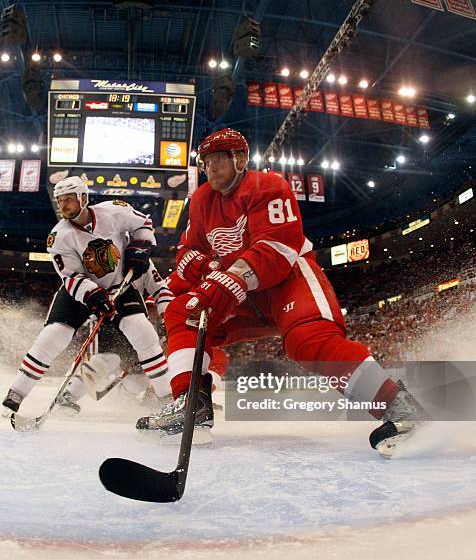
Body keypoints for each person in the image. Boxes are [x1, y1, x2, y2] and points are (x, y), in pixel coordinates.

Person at [137, 128, 427, 455]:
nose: (211, 167)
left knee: (308, 342)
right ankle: (191, 406)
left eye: (218, 159)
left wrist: (228, 275)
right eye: (205, 162)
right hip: (242, 292)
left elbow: (276, 247)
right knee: (183, 312)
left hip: (287, 279)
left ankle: (399, 408)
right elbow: (187, 252)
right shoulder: (202, 200)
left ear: (241, 159)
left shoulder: (268, 185)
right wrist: (203, 272)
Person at [2, 176, 169, 414]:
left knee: (143, 332)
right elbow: (70, 276)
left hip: (119, 287)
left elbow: (143, 223)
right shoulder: (58, 237)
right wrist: (93, 295)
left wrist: (142, 245)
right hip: (79, 291)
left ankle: (168, 399)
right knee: (53, 337)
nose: (64, 205)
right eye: (60, 201)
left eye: (68, 199)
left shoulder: (114, 211)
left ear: (83, 198)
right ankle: (16, 393)